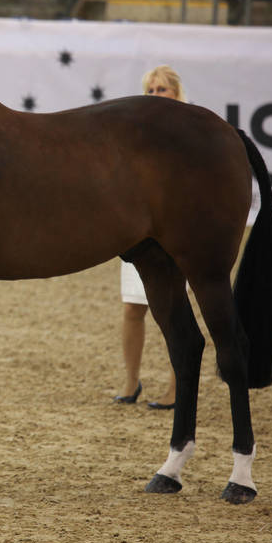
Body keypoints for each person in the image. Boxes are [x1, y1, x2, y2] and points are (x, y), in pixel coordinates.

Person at [113, 65, 184, 410]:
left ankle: (177, 387)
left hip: (174, 232)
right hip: (139, 232)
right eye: (151, 91)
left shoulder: (190, 130)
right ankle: (131, 380)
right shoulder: (136, 133)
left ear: (176, 93)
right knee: (132, 308)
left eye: (162, 90)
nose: (156, 96)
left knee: (174, 312)